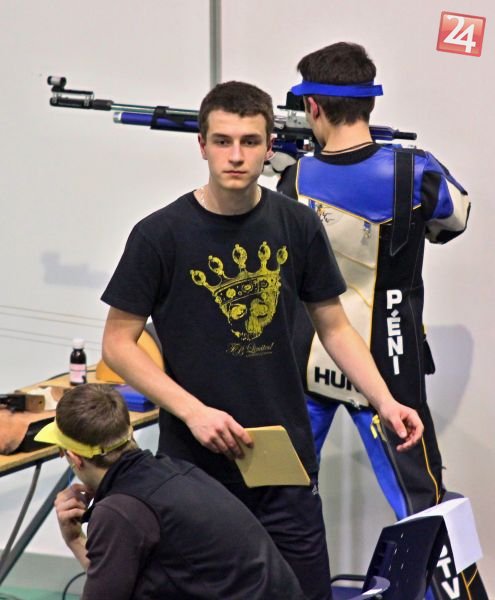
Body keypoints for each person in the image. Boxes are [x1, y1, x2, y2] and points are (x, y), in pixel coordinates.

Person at [100, 80, 424, 600]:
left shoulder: (297, 224)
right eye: (223, 141)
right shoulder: (159, 235)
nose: (236, 156)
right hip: (194, 466)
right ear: (201, 145)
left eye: (250, 141)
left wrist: (385, 401)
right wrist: (193, 412)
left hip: (282, 461)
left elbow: (335, 327)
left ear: (269, 145)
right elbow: (118, 344)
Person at [277, 41, 487, 600]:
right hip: (389, 362)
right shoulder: (415, 171)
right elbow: (453, 220)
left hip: (308, 359)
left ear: (312, 107)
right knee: (426, 508)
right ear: (369, 102)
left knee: (281, 497)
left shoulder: (293, 180)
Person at [35, 384, 307, 599]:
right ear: (129, 433)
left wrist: (74, 538)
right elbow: (111, 581)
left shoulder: (120, 511)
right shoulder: (175, 471)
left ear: (74, 458)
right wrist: (75, 539)